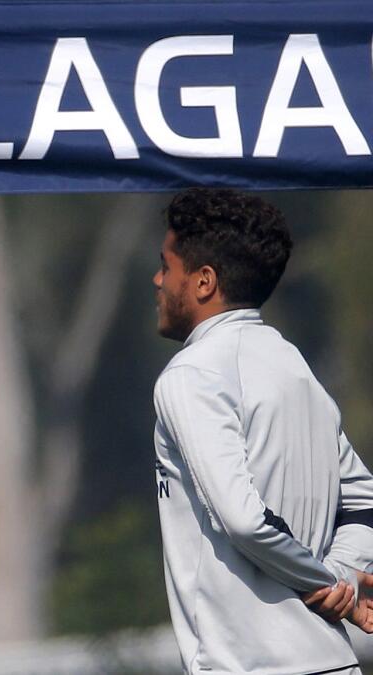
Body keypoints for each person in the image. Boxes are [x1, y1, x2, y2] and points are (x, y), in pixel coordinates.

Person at [151, 187, 373, 675]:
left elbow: (244, 520)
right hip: (336, 664)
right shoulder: (293, 365)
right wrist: (341, 576)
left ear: (204, 282)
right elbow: (363, 500)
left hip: (249, 666)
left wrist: (326, 583)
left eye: (167, 267)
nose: (158, 280)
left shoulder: (190, 374)